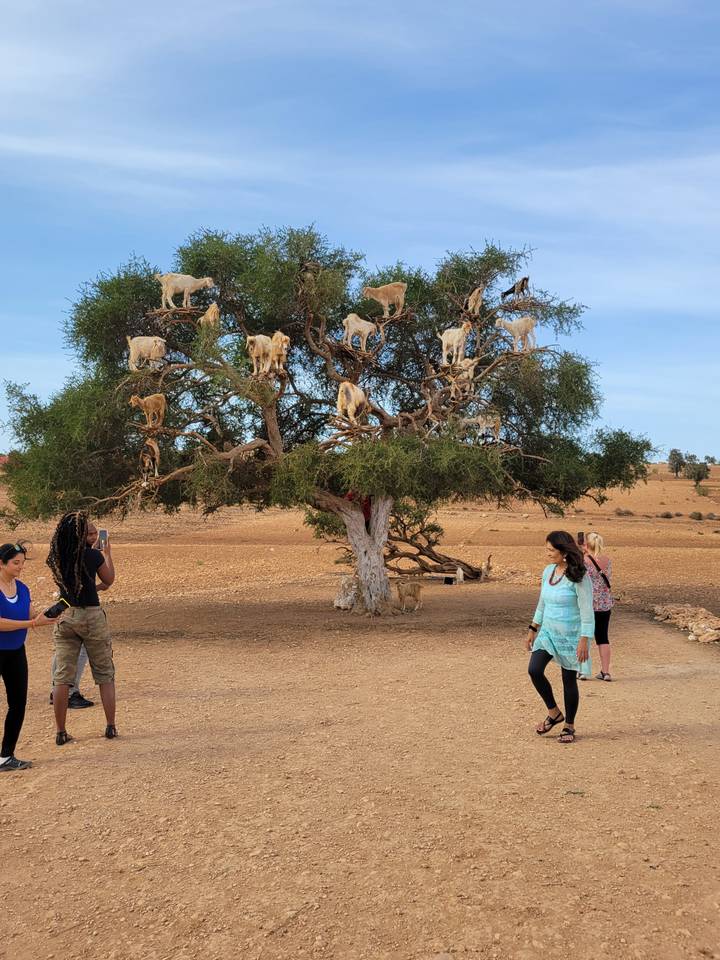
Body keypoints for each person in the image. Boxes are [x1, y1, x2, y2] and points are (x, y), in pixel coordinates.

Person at [47, 512, 117, 745]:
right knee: (105, 674)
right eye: (90, 533)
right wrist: (105, 553)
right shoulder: (92, 556)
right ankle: (110, 726)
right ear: (81, 535)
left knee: (62, 678)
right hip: (91, 616)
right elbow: (109, 581)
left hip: (66, 615)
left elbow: (71, 586)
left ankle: (60, 731)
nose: (95, 536)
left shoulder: (57, 558)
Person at [526, 531, 594, 744]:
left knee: (568, 680)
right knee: (534, 669)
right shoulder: (548, 572)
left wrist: (585, 639)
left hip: (571, 635)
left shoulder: (580, 577)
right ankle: (554, 712)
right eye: (547, 550)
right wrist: (532, 628)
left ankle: (569, 725)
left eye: (551, 550)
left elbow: (587, 611)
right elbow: (542, 603)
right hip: (548, 632)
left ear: (564, 552)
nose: (548, 554)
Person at [0, 542, 59, 771]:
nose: (20, 567)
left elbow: (31, 612)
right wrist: (32, 623)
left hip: (16, 652)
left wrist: (46, 616)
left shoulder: (22, 588)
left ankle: (6, 756)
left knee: (18, 703)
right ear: (2, 563)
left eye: (22, 563)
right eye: (16, 563)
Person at [581, 531, 614, 681]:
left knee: (584, 637)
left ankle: (583, 671)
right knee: (603, 638)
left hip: (587, 604)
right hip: (605, 604)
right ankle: (605, 672)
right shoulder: (607, 560)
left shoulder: (583, 561)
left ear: (586, 544)